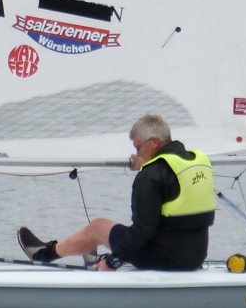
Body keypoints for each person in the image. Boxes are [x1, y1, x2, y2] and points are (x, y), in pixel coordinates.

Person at [16, 114, 214, 271]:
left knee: (98, 227)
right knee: (137, 231)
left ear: (154, 142)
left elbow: (143, 230)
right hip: (194, 258)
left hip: (160, 261)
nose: (137, 153)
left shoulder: (150, 176)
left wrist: (113, 262)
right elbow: (170, 188)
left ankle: (44, 254)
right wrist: (147, 167)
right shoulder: (195, 163)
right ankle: (93, 254)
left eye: (138, 147)